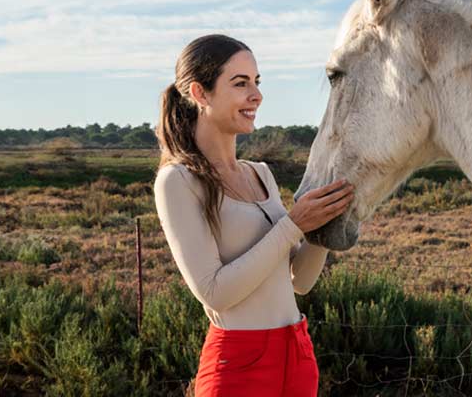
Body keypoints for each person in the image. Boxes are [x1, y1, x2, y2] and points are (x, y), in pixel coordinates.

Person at [152, 34, 354, 396]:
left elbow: (299, 281)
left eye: (257, 82)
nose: (256, 95)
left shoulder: (260, 173)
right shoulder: (178, 181)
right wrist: (293, 225)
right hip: (239, 365)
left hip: (298, 353)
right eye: (240, 83)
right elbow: (215, 292)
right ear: (200, 93)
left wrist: (324, 224)